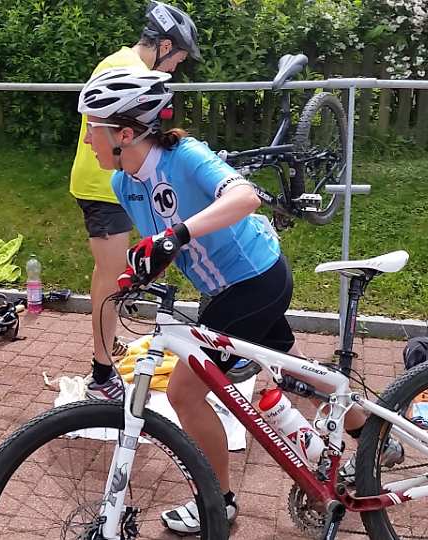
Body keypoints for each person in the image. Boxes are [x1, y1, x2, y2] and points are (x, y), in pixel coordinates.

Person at [77, 67, 398, 534]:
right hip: (222, 291)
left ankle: (218, 502)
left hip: (256, 278)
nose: (87, 139)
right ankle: (373, 437)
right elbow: (164, 244)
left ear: (125, 134)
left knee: (184, 392)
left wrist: (176, 234)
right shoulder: (123, 184)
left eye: (93, 128)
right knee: (293, 368)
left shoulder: (184, 156)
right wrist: (142, 267)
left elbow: (245, 197)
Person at [68, 1, 202, 400]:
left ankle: (105, 347)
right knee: (111, 280)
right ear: (164, 46)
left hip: (112, 180)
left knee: (108, 275)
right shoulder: (131, 71)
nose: (175, 68)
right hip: (104, 184)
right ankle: (101, 375)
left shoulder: (121, 61)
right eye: (177, 58)